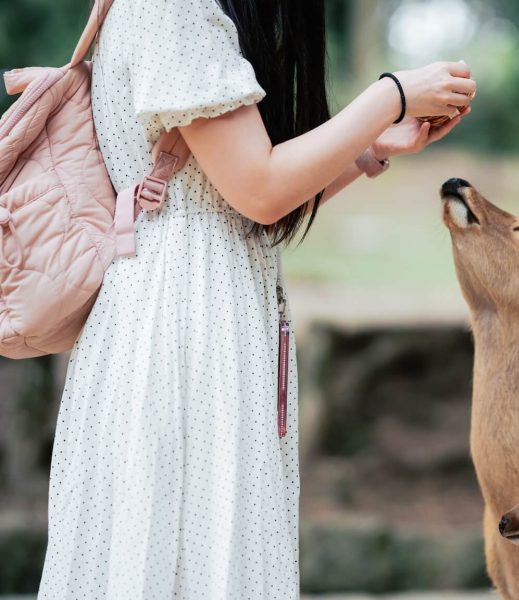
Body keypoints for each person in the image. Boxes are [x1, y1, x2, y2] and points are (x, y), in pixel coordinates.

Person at [37, 0, 475, 598]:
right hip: (182, 326)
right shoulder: (174, 9)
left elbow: (245, 204)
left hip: (197, 314)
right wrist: (390, 96)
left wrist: (373, 148)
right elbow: (260, 190)